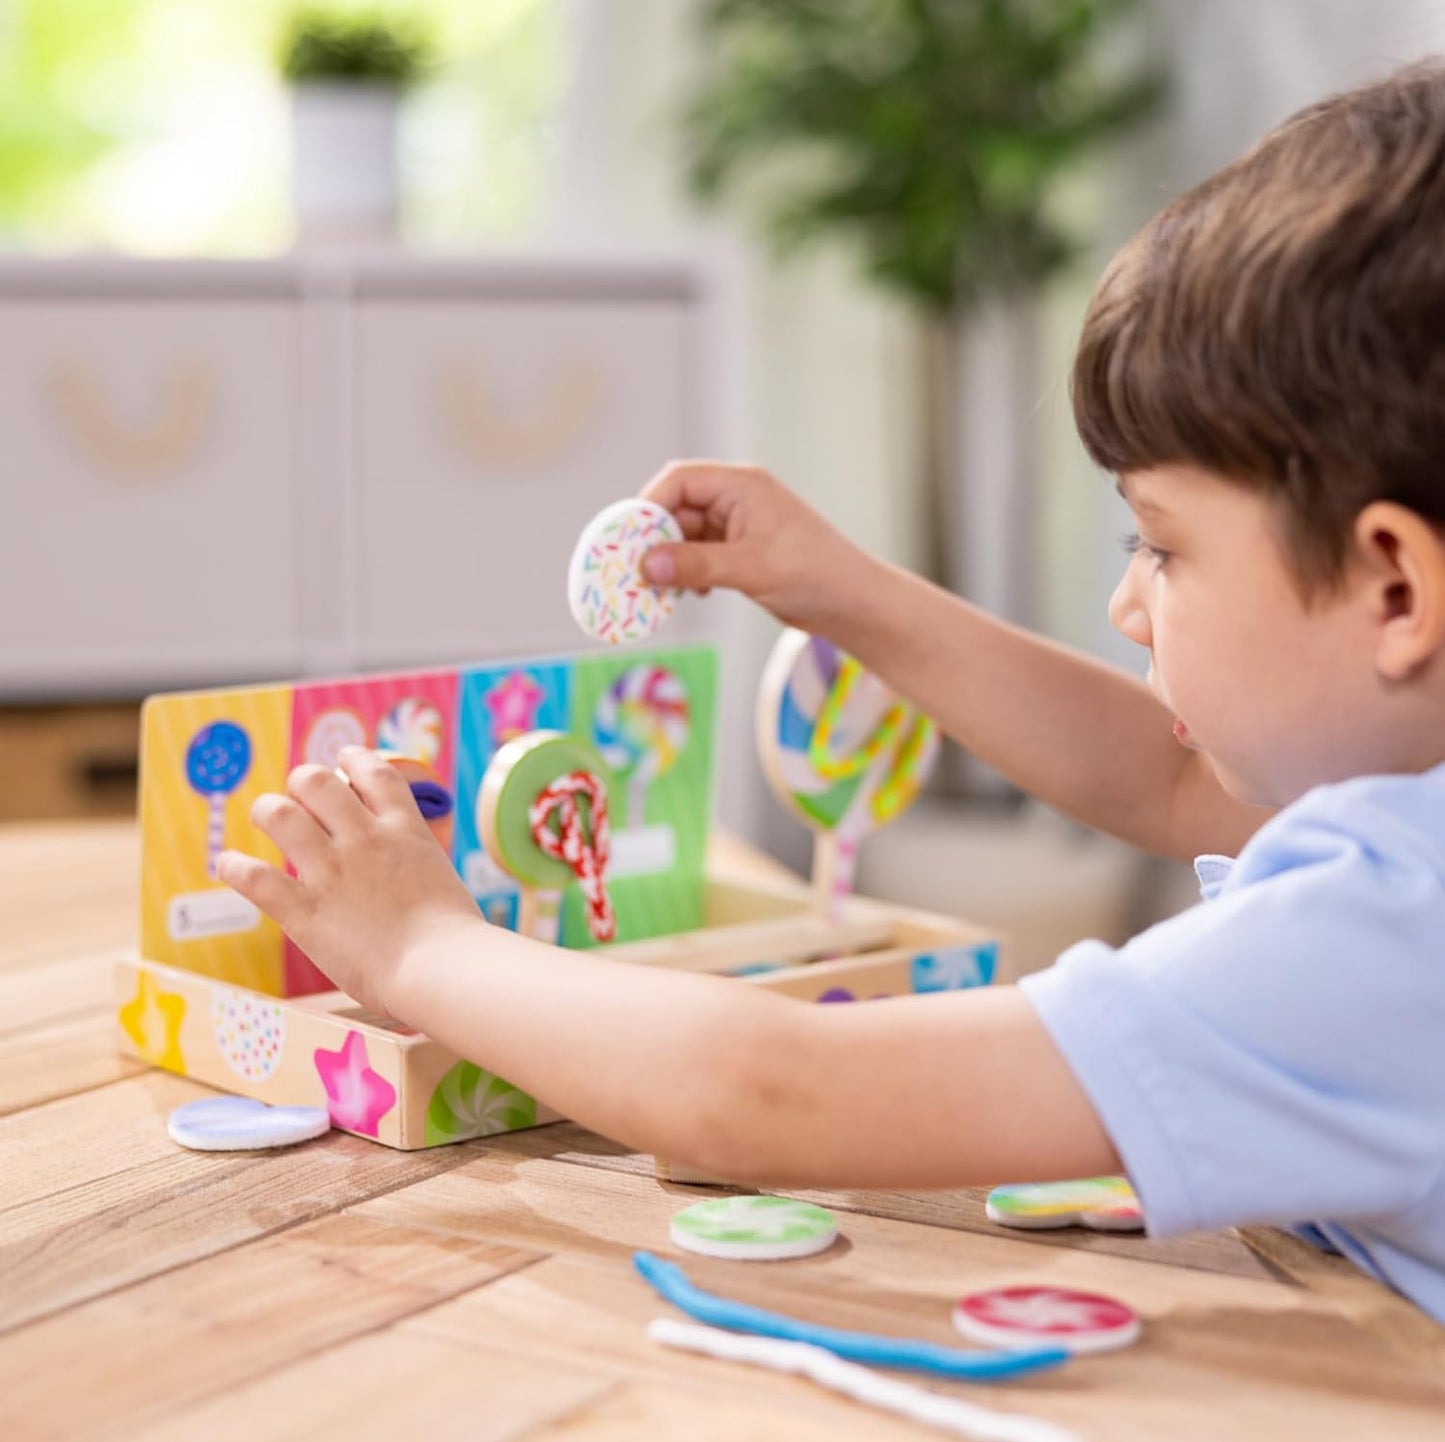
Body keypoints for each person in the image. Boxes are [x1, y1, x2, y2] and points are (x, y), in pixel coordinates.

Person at [218, 61, 1445, 1321]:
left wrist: (420, 945)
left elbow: (763, 1092)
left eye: (1162, 546)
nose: (1127, 602)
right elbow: (1165, 774)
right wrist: (834, 586)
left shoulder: (1383, 930)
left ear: (1395, 589)